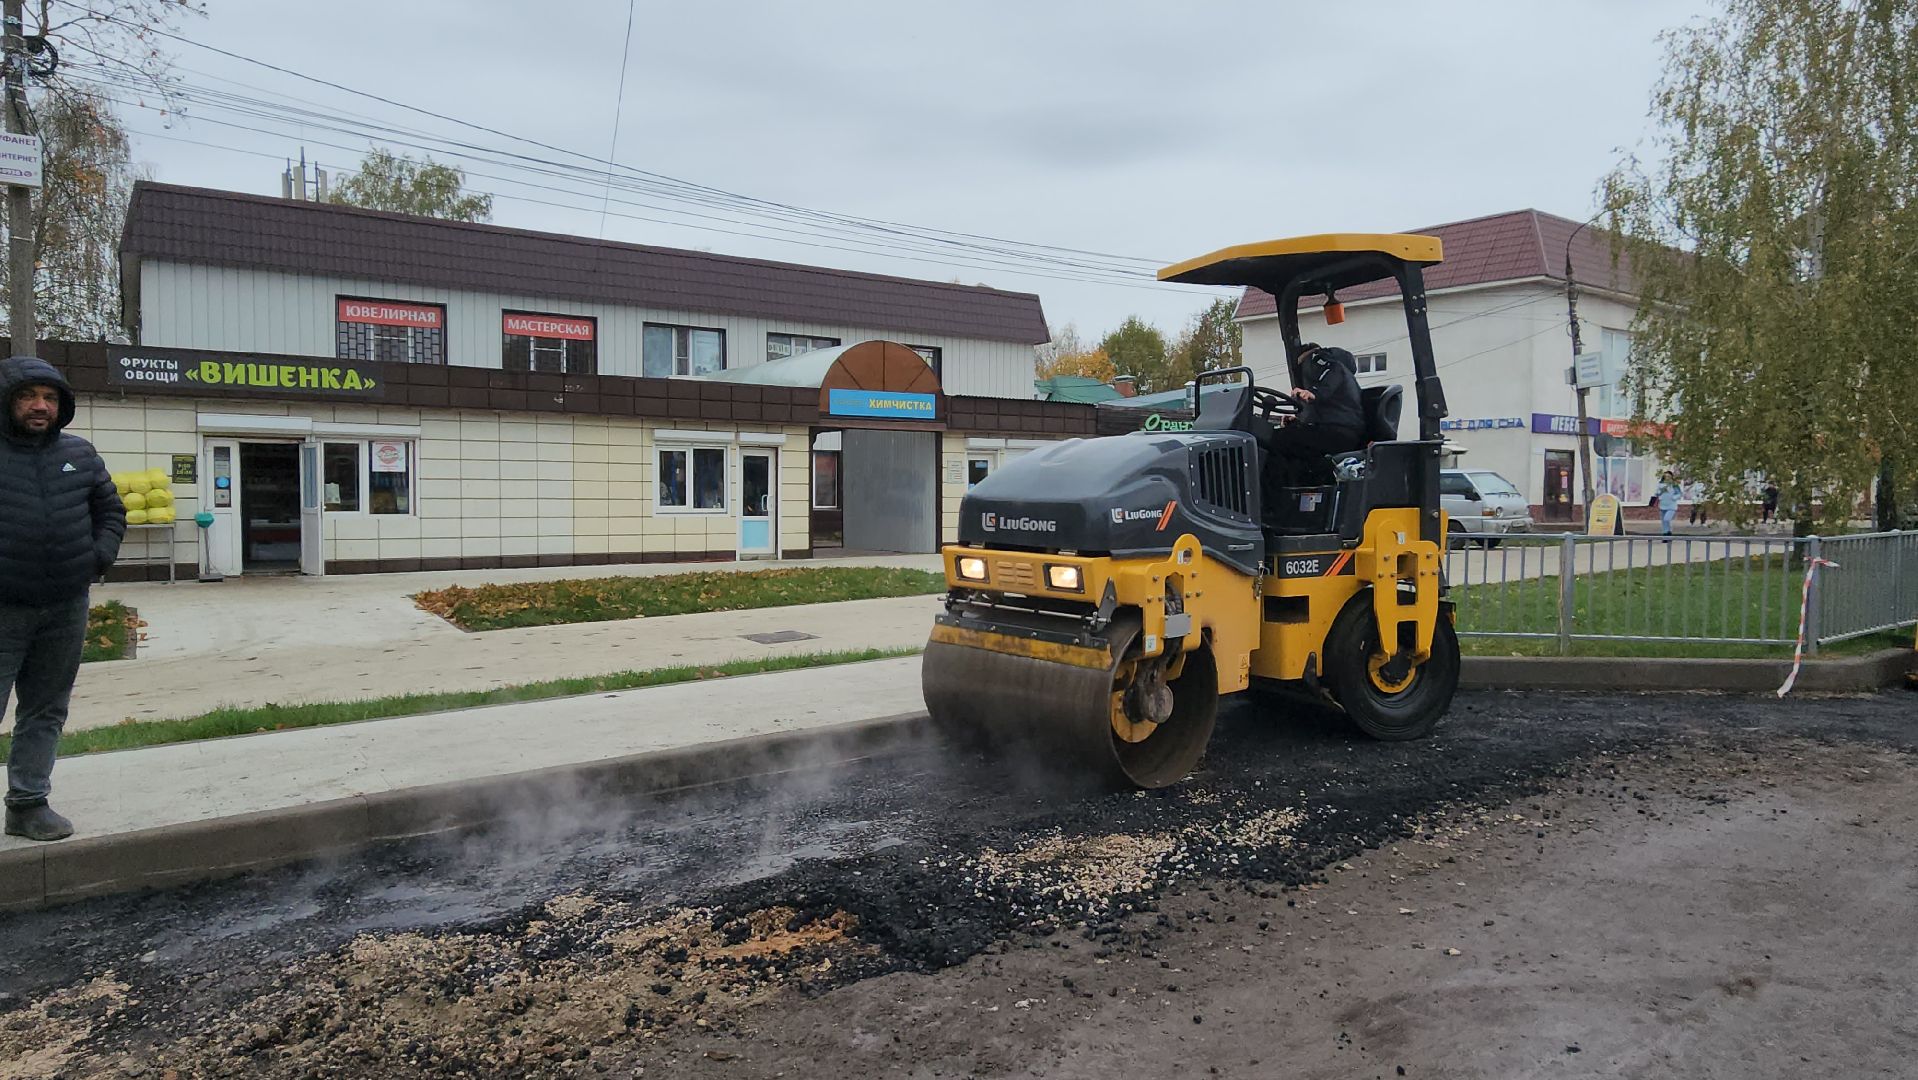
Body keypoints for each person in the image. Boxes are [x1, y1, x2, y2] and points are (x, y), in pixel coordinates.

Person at [0, 356, 124, 842]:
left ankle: (28, 804)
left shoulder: (81, 454)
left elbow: (110, 510)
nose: (39, 406)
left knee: (46, 709)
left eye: (49, 398)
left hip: (65, 606)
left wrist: (98, 557)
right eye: (28, 396)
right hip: (3, 607)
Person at [1267, 342, 1366, 486]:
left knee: (1274, 440)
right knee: (1293, 445)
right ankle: (1297, 491)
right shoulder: (1343, 387)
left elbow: (1330, 376)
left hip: (1339, 433)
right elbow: (1327, 410)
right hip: (1337, 430)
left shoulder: (1326, 364)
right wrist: (1298, 421)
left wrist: (1314, 393)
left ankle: (1270, 501)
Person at [1654, 471, 1684, 540]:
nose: (1667, 478)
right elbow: (1656, 493)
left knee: (1667, 519)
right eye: (1665, 477)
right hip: (1662, 505)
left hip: (1671, 506)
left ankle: (1669, 531)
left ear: (1671, 477)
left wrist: (1674, 497)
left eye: (1668, 477)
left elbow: (1679, 494)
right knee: (1663, 521)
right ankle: (1665, 534)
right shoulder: (1660, 484)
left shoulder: (1674, 485)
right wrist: (1661, 491)